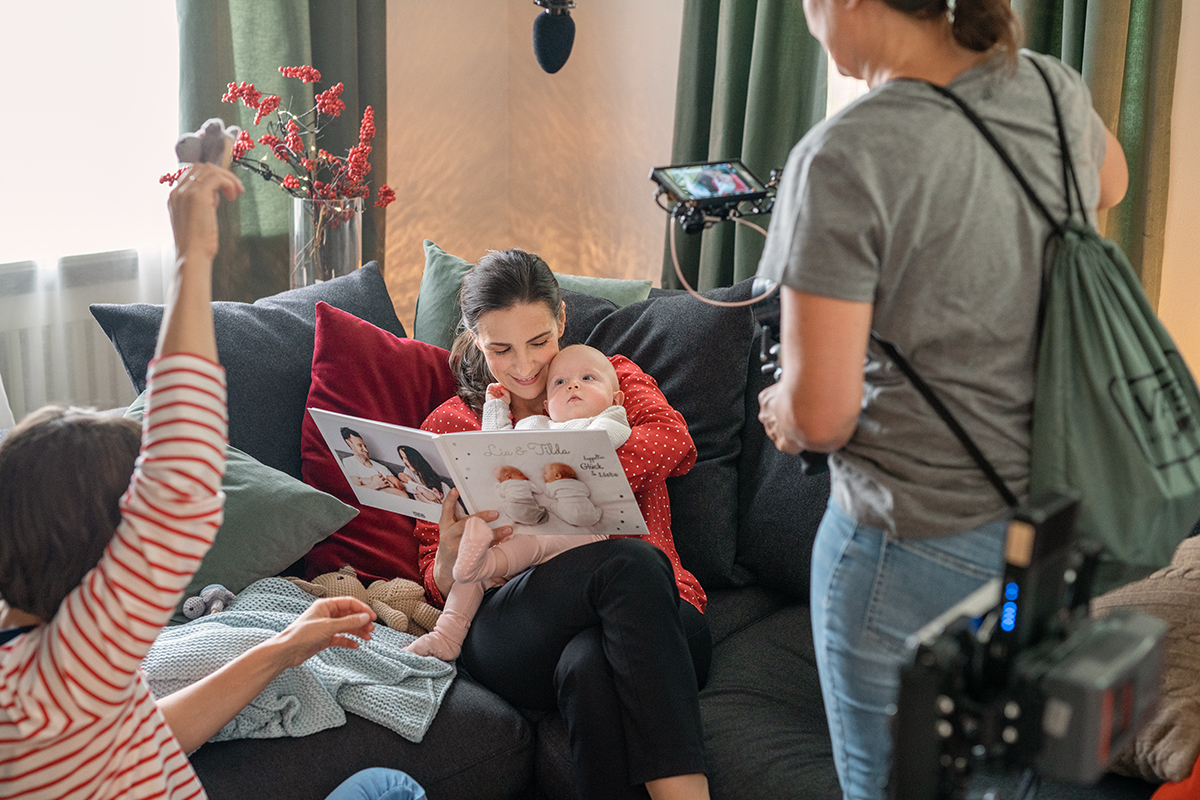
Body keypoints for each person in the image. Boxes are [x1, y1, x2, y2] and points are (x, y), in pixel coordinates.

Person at [753, 2, 1129, 799]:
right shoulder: (1049, 88)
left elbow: (821, 417)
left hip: (911, 545)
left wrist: (780, 412)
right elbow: (1112, 179)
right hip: (1051, 526)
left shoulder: (845, 153)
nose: (810, 22)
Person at [0, 163, 425, 800]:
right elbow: (185, 470)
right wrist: (191, 254)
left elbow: (139, 732)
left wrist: (282, 647)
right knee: (390, 791)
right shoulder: (68, 664)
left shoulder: (50, 674)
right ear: (104, 556)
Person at [411, 248, 712, 800]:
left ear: (562, 322)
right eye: (501, 349)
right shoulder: (452, 424)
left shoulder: (606, 376)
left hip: (657, 612)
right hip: (516, 622)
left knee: (590, 664)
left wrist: (559, 470)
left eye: (539, 341)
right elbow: (437, 583)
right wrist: (453, 553)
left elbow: (674, 442)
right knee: (628, 563)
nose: (526, 367)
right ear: (475, 338)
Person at [406, 344, 627, 659]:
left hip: (581, 529)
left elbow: (606, 442)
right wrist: (496, 405)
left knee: (525, 544)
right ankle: (446, 634)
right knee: (478, 571)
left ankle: (486, 562)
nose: (574, 386)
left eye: (588, 379)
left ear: (615, 399)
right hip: (529, 525)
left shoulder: (607, 419)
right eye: (562, 383)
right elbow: (496, 442)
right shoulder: (538, 424)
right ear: (548, 405)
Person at [340, 426, 405, 495]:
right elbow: (356, 490)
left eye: (365, 446)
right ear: (349, 443)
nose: (366, 450)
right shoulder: (348, 462)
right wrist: (375, 485)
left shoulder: (382, 468)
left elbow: (403, 494)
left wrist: (366, 482)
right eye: (360, 445)